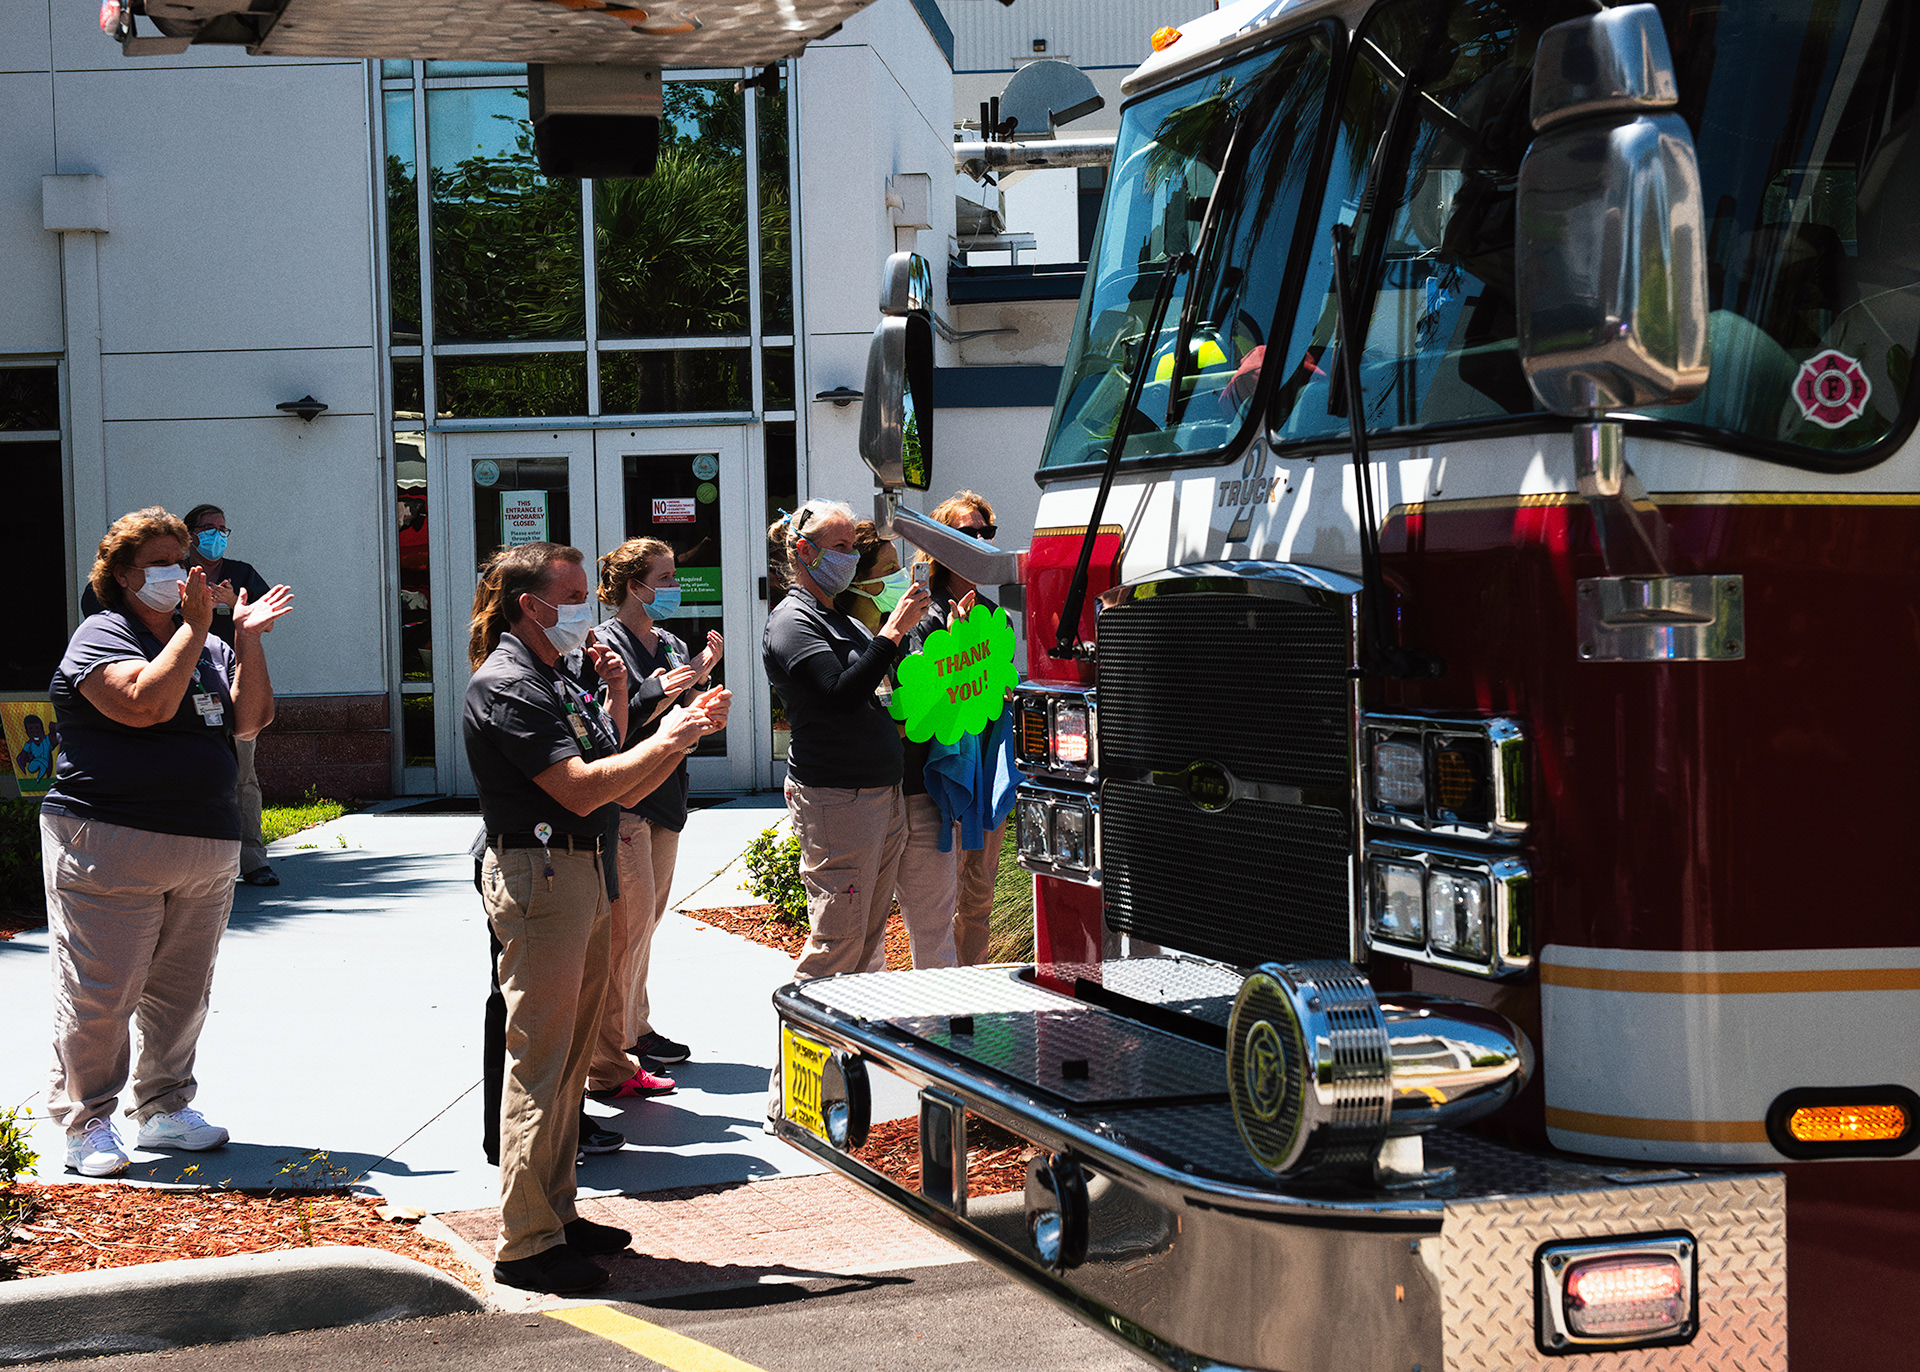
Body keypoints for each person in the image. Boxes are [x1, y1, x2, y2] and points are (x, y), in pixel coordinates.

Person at [464, 540, 727, 1295]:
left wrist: (649, 722)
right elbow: (582, 788)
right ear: (530, 606)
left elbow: (609, 763)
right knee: (541, 1065)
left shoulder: (557, 674)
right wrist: (672, 736)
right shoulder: (510, 682)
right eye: (573, 595)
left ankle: (558, 1215)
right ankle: (526, 1243)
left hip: (580, 868)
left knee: (574, 1060)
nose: (588, 608)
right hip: (542, 873)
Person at [42, 507, 294, 1177]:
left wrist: (246, 640)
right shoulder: (102, 635)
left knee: (182, 993)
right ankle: (86, 1121)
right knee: (103, 990)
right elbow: (144, 704)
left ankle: (163, 1109)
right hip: (109, 840)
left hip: (203, 848)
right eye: (158, 564)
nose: (177, 575)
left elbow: (251, 720)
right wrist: (197, 629)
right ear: (122, 575)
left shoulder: (209, 642)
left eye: (182, 562)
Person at [762, 500, 929, 978]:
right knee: (837, 942)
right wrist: (892, 632)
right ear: (804, 551)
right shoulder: (793, 621)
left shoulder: (842, 618)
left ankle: (847, 1048)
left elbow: (879, 690)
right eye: (839, 546)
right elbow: (839, 694)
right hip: (839, 798)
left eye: (853, 547)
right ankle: (801, 1048)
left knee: (866, 939)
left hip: (878, 791)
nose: (850, 557)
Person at [588, 537, 723, 1093]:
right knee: (627, 927)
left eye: (674, 577)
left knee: (646, 925)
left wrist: (701, 689)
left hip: (666, 798)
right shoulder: (601, 644)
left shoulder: (667, 640)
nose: (673, 589)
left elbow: (679, 715)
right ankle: (615, 1049)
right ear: (632, 585)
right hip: (626, 803)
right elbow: (605, 729)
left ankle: (636, 1029)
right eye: (664, 579)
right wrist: (649, 694)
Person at [839, 522, 955, 969]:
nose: (900, 582)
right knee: (865, 938)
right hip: (867, 803)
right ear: (860, 583)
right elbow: (871, 719)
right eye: (888, 571)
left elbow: (940, 696)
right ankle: (875, 1031)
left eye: (900, 569)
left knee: (935, 928)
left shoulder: (914, 633)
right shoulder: (840, 638)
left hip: (921, 793)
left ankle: (943, 1029)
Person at [914, 491, 1014, 967]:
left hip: (986, 774)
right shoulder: (923, 614)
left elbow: (1002, 683)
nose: (978, 541)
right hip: (941, 780)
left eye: (984, 533)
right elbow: (922, 699)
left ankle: (971, 995)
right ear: (940, 545)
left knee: (978, 897)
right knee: (939, 902)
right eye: (966, 533)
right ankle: (941, 1002)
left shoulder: (995, 614)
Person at [182, 505, 278, 888]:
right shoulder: (173, 574)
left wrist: (230, 604)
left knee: (243, 770)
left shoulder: (241, 575)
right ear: (190, 534)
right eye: (209, 528)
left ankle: (252, 860)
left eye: (223, 528)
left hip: (235, 678)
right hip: (187, 678)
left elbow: (268, 618)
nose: (217, 535)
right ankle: (193, 862)